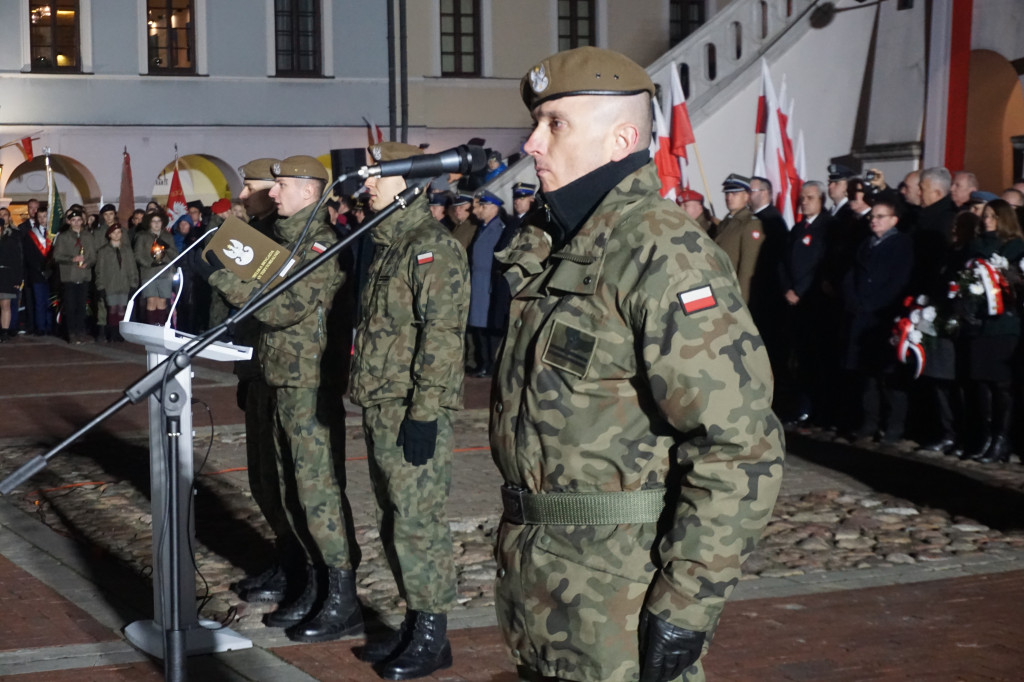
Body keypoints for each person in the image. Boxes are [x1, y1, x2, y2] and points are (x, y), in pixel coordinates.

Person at [491, 46, 784, 682]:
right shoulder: (555, 245)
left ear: (622, 137)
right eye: (536, 123)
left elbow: (737, 443)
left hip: (623, 587)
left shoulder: (662, 253)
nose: (533, 143)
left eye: (555, 124)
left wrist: (688, 602)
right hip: (540, 572)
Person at [193, 155, 358, 643]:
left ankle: (339, 596)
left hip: (307, 381)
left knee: (315, 491)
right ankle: (308, 579)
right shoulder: (288, 239)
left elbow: (283, 306)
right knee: (284, 484)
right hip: (279, 373)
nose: (272, 194)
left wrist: (219, 272)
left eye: (281, 185)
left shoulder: (321, 242)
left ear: (309, 192)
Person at [349, 141, 470, 680]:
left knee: (419, 523)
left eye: (378, 176)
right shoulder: (389, 243)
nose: (367, 183)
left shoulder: (431, 247)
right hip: (383, 403)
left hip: (411, 409)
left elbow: (442, 337)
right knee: (395, 519)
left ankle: (432, 633)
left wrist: (423, 413)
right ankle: (413, 621)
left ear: (412, 183)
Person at [840, 197, 914, 442]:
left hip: (884, 316)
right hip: (861, 316)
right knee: (866, 375)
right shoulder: (866, 244)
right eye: (872, 217)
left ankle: (894, 427)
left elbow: (899, 281)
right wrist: (853, 301)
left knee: (889, 376)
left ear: (894, 220)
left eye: (880, 216)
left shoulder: (901, 244)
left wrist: (875, 304)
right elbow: (851, 275)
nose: (874, 221)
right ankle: (868, 423)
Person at [962, 199, 1024, 463]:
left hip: (1004, 323)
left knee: (1001, 386)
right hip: (981, 324)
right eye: (985, 215)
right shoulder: (975, 247)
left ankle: (1002, 439)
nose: (987, 220)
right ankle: (987, 436)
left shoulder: (1014, 247)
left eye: (993, 216)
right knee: (982, 384)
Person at [467, 188, 506, 377]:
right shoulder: (483, 228)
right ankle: (483, 362)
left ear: (492, 208)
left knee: (486, 326)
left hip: (487, 284)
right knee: (478, 326)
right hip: (478, 283)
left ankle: (488, 364)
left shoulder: (497, 229)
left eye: (481, 206)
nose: (476, 211)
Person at [712, 173, 763, 303]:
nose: (729, 197)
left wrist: (741, 302)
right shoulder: (725, 222)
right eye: (727, 194)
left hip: (733, 293)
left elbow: (747, 269)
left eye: (735, 194)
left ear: (746, 196)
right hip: (719, 288)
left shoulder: (750, 224)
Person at [52, 208, 98, 344]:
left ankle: (81, 331)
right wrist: (72, 258)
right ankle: (72, 333)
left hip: (83, 275)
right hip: (69, 277)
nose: (76, 223)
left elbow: (93, 256)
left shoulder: (88, 236)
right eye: (73, 220)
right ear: (69, 222)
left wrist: (88, 263)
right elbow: (57, 256)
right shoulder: (63, 237)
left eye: (78, 220)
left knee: (82, 306)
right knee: (71, 306)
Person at [94, 222, 139, 341]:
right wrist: (101, 286)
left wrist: (134, 283)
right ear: (109, 235)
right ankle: (112, 332)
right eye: (114, 233)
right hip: (110, 284)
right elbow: (100, 270)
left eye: (119, 232)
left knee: (122, 309)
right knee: (112, 309)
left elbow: (132, 268)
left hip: (124, 284)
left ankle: (121, 333)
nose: (117, 235)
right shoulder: (103, 251)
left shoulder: (127, 250)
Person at [134, 211, 177, 325]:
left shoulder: (168, 236)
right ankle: (152, 326)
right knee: (151, 300)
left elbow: (175, 255)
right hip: (149, 273)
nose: (156, 224)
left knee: (162, 301)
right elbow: (138, 255)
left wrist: (166, 246)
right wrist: (149, 263)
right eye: (154, 221)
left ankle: (161, 326)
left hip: (165, 273)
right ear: (149, 223)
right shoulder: (142, 236)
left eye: (159, 221)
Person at [20, 198, 53, 335]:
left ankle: (51, 326)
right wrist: (39, 269)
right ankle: (41, 327)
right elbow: (29, 255)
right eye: (39, 217)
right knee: (39, 302)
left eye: (44, 216)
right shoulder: (31, 234)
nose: (42, 219)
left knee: (51, 302)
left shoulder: (54, 233)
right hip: (37, 273)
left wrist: (51, 269)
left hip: (52, 274)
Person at [0, 209, 24, 340]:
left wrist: (17, 279)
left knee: (6, 304)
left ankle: (4, 331)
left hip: (6, 276)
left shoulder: (10, 240)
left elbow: (17, 259)